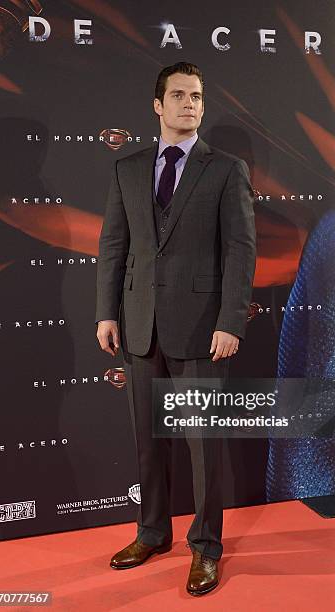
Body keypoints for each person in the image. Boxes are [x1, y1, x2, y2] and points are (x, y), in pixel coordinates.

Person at [95, 61, 256, 596]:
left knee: (202, 446)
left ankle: (206, 547)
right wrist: (106, 312)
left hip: (203, 330)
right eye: (180, 95)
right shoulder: (128, 168)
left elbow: (240, 250)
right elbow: (114, 248)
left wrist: (231, 321)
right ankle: (152, 533)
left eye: (198, 96)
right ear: (158, 105)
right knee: (148, 443)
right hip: (140, 326)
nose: (191, 104)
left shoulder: (226, 169)